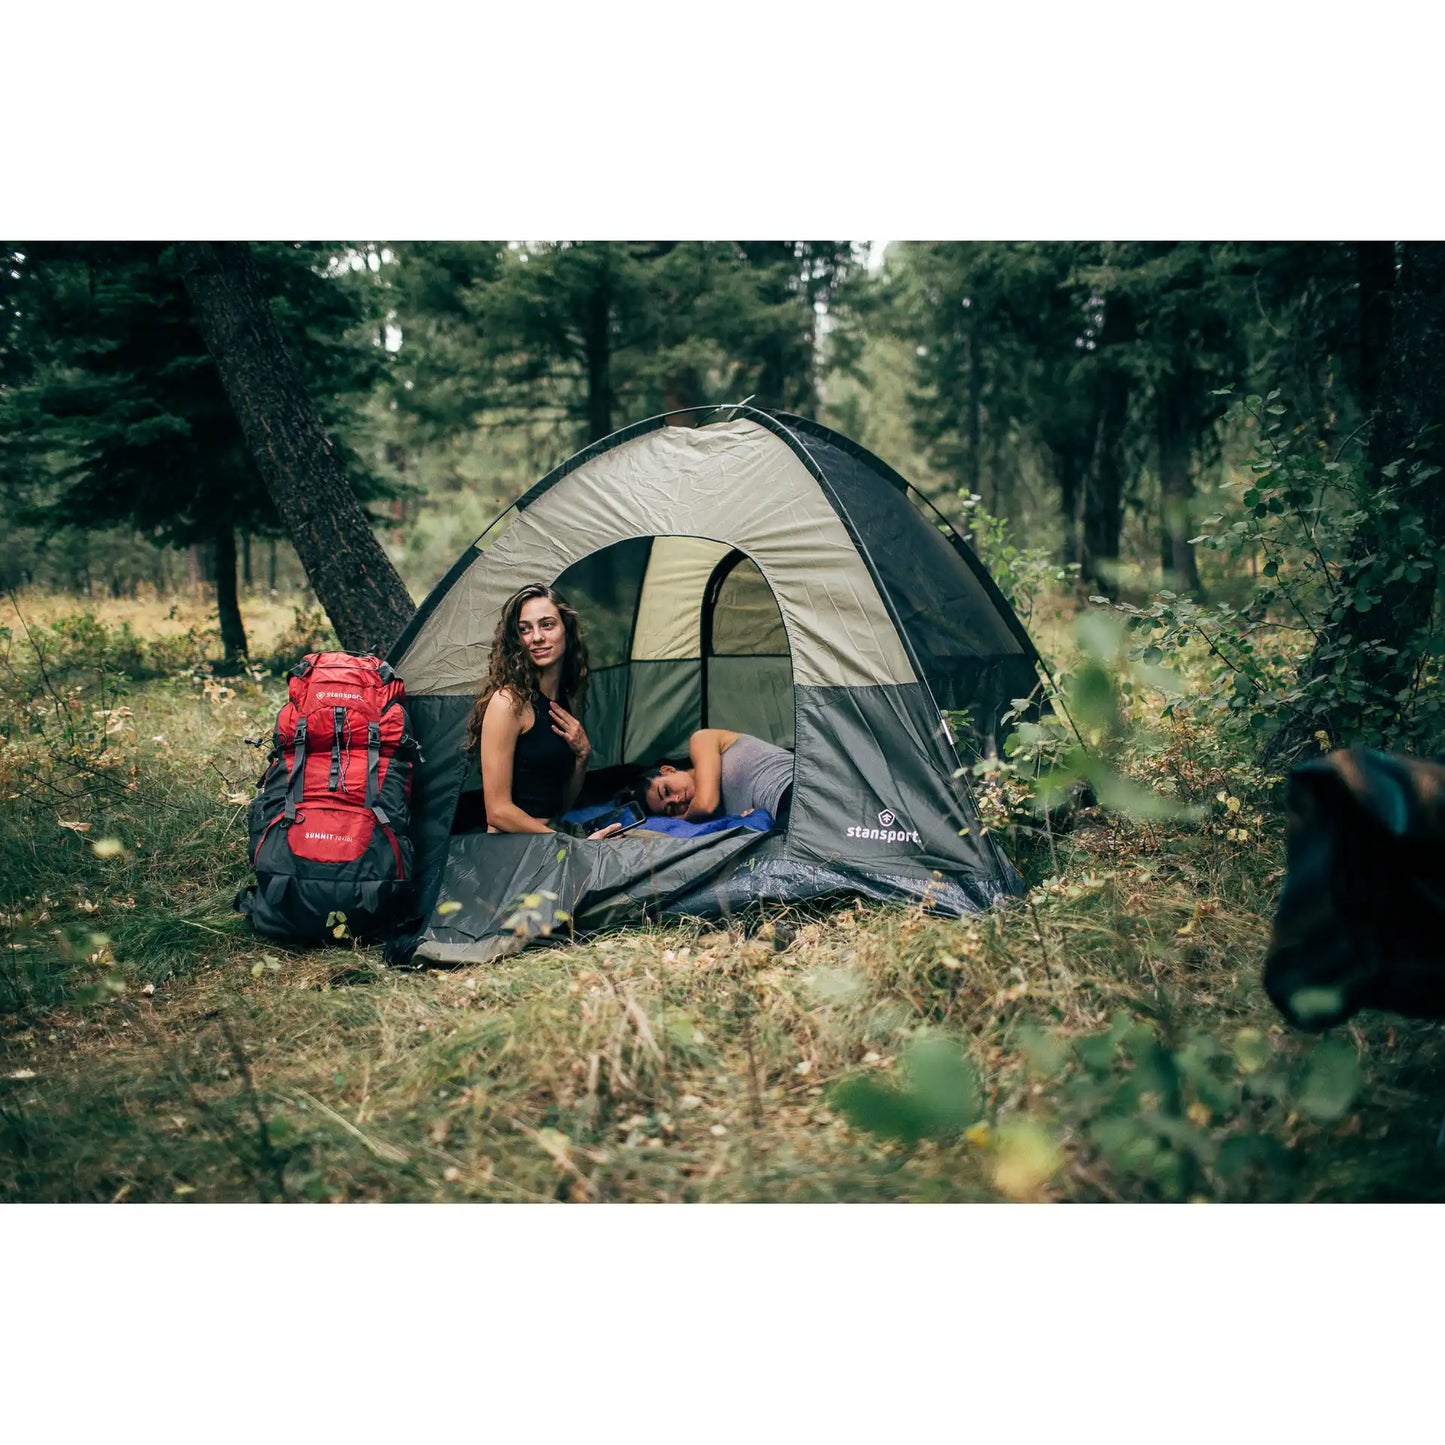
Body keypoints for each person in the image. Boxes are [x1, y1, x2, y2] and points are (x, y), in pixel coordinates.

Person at [462, 584, 618, 838]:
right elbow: (498, 812)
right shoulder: (508, 703)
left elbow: (560, 805)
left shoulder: (566, 700)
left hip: (551, 835)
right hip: (514, 847)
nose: (536, 637)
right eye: (525, 629)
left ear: (566, 629)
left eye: (547, 625)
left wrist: (582, 756)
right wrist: (569, 844)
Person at [639, 728, 793, 824]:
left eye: (666, 791)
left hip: (794, 785)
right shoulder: (711, 820)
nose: (676, 800)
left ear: (668, 770)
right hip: (781, 819)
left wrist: (682, 818)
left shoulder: (701, 739)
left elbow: (705, 804)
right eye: (671, 809)